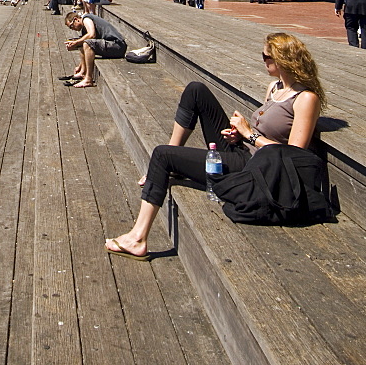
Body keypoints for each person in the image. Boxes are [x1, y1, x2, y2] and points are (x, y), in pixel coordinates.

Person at [105, 32, 325, 259]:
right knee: (196, 90)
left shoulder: (306, 99)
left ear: (282, 59)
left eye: (266, 56)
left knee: (162, 155)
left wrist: (248, 134)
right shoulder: (275, 87)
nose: (263, 60)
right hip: (244, 149)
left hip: (256, 170)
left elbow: (294, 156)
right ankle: (174, 155)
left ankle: (138, 238)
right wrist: (239, 135)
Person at [62, 10, 127, 88]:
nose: (72, 29)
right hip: (113, 46)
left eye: (71, 26)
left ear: (76, 19)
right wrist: (79, 67)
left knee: (87, 43)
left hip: (117, 45)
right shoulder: (84, 28)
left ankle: (88, 79)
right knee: (83, 43)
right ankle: (83, 72)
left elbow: (92, 35)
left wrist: (76, 42)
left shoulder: (86, 19)